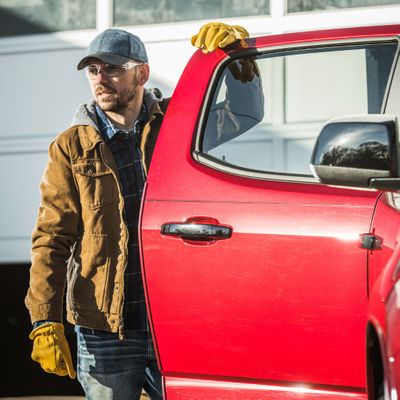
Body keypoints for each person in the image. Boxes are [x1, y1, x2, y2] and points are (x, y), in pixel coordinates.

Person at [25, 22, 262, 400]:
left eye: (113, 68)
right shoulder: (70, 147)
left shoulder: (178, 124)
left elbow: (244, 114)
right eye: (93, 70)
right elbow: (51, 237)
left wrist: (237, 61)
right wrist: (44, 319)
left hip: (173, 322)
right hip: (104, 329)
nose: (101, 79)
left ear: (142, 73)